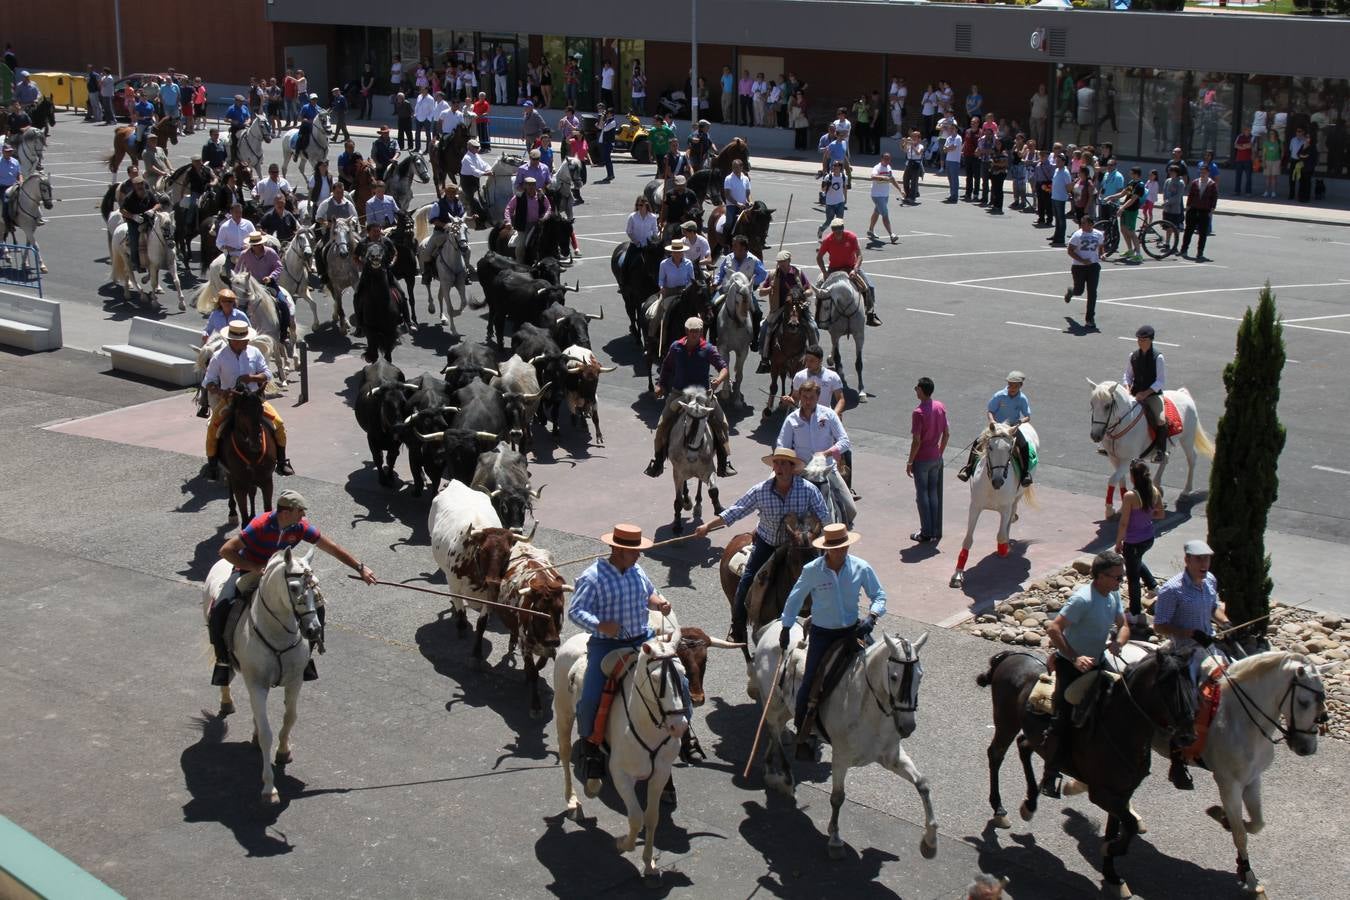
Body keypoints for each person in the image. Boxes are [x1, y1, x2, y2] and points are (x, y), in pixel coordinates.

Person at [207, 489, 376, 686]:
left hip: (281, 573)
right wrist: (254, 567)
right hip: (250, 571)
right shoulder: (260, 525)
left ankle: (306, 658)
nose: (304, 516)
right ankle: (223, 662)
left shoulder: (299, 527)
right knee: (220, 608)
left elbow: (331, 547)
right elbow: (226, 550)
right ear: (286, 512)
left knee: (317, 606)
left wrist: (360, 568)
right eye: (300, 511)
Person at [567, 522, 672, 780]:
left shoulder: (637, 571)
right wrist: (600, 626)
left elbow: (649, 594)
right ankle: (590, 746)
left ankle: (682, 733)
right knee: (591, 695)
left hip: (642, 637)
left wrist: (659, 603)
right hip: (608, 644)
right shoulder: (593, 577)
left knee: (675, 676)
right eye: (634, 550)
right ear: (618, 550)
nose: (639, 555)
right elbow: (575, 611)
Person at [696, 448, 830, 644]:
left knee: (824, 578)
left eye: (784, 463)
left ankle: (829, 620)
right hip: (769, 544)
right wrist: (708, 526)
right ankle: (737, 626)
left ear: (792, 468)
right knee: (747, 579)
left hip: (799, 546)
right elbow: (736, 510)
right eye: (776, 463)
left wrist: (825, 537)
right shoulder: (761, 491)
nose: (779, 468)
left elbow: (824, 517)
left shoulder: (808, 489)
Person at [778, 522, 885, 754]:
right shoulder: (812, 571)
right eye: (836, 548)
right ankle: (803, 734)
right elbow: (795, 599)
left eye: (844, 547)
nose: (841, 552)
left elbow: (879, 595)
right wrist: (786, 626)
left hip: (853, 630)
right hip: (823, 633)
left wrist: (873, 616)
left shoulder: (861, 567)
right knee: (809, 682)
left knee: (882, 668)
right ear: (826, 548)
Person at [1038, 550, 1131, 798]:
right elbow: (1054, 629)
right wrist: (1074, 657)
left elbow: (1124, 626)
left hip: (1098, 661)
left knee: (1125, 698)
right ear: (1100, 576)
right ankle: (1050, 775)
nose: (1120, 582)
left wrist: (1119, 643)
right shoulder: (1083, 600)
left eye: (1121, 578)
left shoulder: (1112, 595)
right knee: (1063, 718)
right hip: (1071, 664)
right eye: (1116, 578)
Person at [1153, 539, 1230, 790]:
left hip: (1209, 648)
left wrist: (1225, 622)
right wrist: (1189, 633)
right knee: (1188, 702)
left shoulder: (1210, 581)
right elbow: (1160, 624)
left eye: (1207, 559)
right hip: (1184, 652)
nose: (1204, 564)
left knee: (1235, 680)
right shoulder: (1172, 590)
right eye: (1199, 559)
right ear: (1187, 560)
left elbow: (1214, 609)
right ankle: (1178, 760)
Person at [202, 320, 293, 483]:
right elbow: (208, 381)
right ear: (231, 340)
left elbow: (267, 374)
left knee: (279, 424)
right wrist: (220, 391)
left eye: (245, 339)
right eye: (241, 340)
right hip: (230, 400)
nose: (245, 342)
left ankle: (282, 461)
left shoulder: (254, 353)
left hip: (254, 399)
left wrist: (252, 377)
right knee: (212, 428)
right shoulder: (219, 357)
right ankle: (213, 465)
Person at [645, 317, 735, 479]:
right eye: (691, 331)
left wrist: (719, 380)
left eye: (697, 331)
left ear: (701, 332)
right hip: (679, 394)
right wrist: (661, 385)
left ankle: (724, 463)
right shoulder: (676, 347)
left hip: (703, 396)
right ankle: (658, 461)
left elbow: (723, 367)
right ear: (686, 331)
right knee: (661, 426)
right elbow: (666, 367)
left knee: (723, 424)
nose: (694, 334)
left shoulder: (708, 349)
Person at [776, 379, 856, 527]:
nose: (807, 401)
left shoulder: (829, 415)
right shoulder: (791, 420)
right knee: (775, 501)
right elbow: (782, 445)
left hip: (827, 470)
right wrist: (789, 465)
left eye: (811, 398)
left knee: (851, 509)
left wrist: (826, 454)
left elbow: (845, 441)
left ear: (818, 397)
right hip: (799, 471)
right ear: (800, 396)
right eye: (805, 397)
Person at [958, 371, 1033, 486]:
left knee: (1023, 445)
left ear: (1020, 386)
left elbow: (1027, 416)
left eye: (1015, 386)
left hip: (1011, 428)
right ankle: (968, 469)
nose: (1012, 388)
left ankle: (1025, 474)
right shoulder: (999, 395)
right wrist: (992, 421)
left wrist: (1020, 422)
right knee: (977, 442)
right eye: (1010, 385)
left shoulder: (1022, 398)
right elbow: (990, 411)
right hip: (996, 427)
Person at [1114, 459, 1163, 632]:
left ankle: (1135, 612)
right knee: (1136, 560)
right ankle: (1153, 586)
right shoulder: (1155, 491)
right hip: (1148, 538)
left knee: (1133, 576)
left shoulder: (1130, 496)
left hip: (1133, 541)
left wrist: (1119, 541)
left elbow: (1124, 523)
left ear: (1133, 477)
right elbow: (1160, 514)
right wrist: (1147, 515)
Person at [757, 250, 817, 375]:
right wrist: (769, 288)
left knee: (812, 327)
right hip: (779, 308)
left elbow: (810, 290)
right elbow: (761, 292)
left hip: (798, 307)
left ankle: (814, 354)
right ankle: (764, 358)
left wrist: (802, 293)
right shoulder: (773, 275)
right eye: (779, 262)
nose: (781, 265)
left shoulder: (798, 273)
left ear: (789, 261)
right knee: (765, 329)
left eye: (783, 262)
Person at [816, 218, 882, 327]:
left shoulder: (851, 237)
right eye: (835, 231)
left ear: (843, 229)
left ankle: (870, 314)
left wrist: (855, 269)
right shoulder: (828, 240)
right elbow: (819, 258)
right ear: (832, 230)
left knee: (869, 286)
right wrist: (825, 273)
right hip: (834, 269)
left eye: (840, 230)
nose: (838, 233)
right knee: (821, 291)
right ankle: (818, 317)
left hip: (851, 268)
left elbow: (859, 255)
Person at [906, 376, 948, 544]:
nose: (915, 390)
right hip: (935, 457)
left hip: (922, 459)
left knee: (922, 495)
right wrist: (940, 452)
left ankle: (926, 532)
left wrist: (910, 461)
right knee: (933, 494)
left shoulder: (918, 412)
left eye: (917, 388)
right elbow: (947, 434)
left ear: (922, 391)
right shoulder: (940, 407)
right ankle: (935, 530)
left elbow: (916, 440)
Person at [1123, 324, 1168, 462]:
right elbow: (1127, 375)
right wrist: (1127, 386)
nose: (1140, 342)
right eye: (1138, 339)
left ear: (1150, 340)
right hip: (1135, 393)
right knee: (1118, 412)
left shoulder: (1158, 358)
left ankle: (1160, 450)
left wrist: (1146, 393)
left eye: (1143, 340)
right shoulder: (1133, 356)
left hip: (1152, 395)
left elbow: (1160, 381)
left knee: (1161, 419)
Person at [713, 234, 768, 344]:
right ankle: (713, 336)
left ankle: (754, 340)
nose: (732, 247)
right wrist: (715, 282)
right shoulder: (728, 258)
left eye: (735, 246)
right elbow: (720, 273)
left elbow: (762, 274)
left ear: (743, 248)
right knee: (712, 306)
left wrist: (751, 283)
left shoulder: (753, 260)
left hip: (744, 293)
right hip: (726, 290)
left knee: (757, 312)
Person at [1063, 211, 1104, 330]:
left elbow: (1101, 246)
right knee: (1079, 291)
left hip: (1093, 267)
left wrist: (1102, 254)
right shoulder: (1077, 235)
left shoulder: (1098, 234)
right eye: (1081, 223)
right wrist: (1081, 260)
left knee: (1092, 292)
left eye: (1084, 223)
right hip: (1079, 268)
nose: (1082, 226)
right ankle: (1072, 291)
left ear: (1091, 224)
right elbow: (1070, 251)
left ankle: (1090, 319)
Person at [502, 177, 551, 263]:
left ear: (535, 185)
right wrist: (508, 221)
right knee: (520, 246)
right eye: (528, 185)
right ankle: (519, 263)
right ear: (525, 186)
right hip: (524, 226)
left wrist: (545, 217)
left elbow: (548, 208)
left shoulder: (541, 196)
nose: (531, 187)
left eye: (533, 185)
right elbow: (508, 209)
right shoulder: (519, 197)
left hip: (539, 225)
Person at [1104, 165, 1147, 263]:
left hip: (1131, 210)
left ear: (1136, 174)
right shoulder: (1132, 183)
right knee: (1123, 230)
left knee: (1131, 232)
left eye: (1131, 173)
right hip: (1125, 209)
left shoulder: (1140, 185)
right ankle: (1130, 250)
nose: (1129, 174)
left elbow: (1133, 199)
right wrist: (1110, 197)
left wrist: (1122, 208)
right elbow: (1123, 194)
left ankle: (1139, 254)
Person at [1179, 166, 1218, 263]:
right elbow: (1190, 195)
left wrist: (1212, 210)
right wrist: (1188, 207)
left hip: (1204, 211)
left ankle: (1200, 252)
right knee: (1188, 231)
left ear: (1208, 173)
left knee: (1202, 233)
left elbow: (1214, 197)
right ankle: (1184, 250)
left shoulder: (1212, 184)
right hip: (1193, 209)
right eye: (1201, 172)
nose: (1202, 174)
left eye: (1204, 172)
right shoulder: (1195, 182)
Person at [867, 153, 902, 243]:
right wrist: (884, 178)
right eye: (885, 159)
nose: (887, 161)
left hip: (885, 195)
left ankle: (870, 230)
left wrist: (900, 190)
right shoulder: (877, 167)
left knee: (877, 212)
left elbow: (892, 179)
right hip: (877, 195)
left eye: (889, 159)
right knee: (885, 214)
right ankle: (891, 234)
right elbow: (873, 177)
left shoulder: (889, 167)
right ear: (881, 159)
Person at [722, 158, 752, 249]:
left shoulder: (745, 178)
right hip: (732, 205)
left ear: (741, 167)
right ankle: (726, 242)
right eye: (733, 167)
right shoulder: (728, 179)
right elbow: (727, 195)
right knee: (729, 222)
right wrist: (737, 203)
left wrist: (750, 201)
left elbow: (748, 192)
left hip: (744, 206)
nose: (735, 169)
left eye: (737, 167)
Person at [818, 160, 848, 240]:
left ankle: (839, 237)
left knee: (840, 221)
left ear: (840, 167)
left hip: (840, 202)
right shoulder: (828, 177)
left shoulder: (844, 177)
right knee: (829, 221)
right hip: (830, 203)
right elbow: (823, 189)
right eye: (833, 166)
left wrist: (845, 198)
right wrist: (827, 183)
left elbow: (844, 188)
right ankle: (821, 229)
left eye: (836, 166)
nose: (834, 167)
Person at [223, 94, 251, 164]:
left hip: (244, 128)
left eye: (242, 101)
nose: (242, 103)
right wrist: (232, 121)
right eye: (240, 101)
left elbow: (249, 118)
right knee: (234, 143)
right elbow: (225, 119)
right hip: (235, 128)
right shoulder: (231, 109)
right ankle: (233, 158)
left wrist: (247, 122)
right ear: (236, 101)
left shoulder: (245, 108)